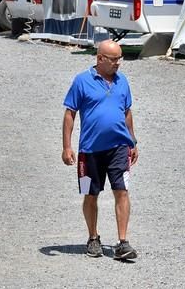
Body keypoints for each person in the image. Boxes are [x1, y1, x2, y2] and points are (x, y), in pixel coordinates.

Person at [62, 40, 140, 260]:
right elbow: (70, 113)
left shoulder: (122, 81)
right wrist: (67, 146)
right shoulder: (82, 81)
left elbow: (127, 112)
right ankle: (93, 237)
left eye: (119, 59)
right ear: (100, 58)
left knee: (122, 191)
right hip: (89, 151)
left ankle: (123, 242)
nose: (118, 64)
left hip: (119, 148)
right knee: (90, 193)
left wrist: (133, 141)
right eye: (114, 59)